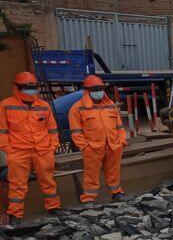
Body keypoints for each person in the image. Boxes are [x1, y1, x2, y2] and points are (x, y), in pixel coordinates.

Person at [0, 72, 62, 224]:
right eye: (28, 88)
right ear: (17, 88)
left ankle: (54, 208)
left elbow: (52, 129)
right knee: (17, 184)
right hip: (18, 151)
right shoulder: (6, 105)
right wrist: (9, 150)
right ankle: (15, 215)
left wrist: (52, 146)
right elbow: (2, 131)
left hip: (42, 150)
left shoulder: (43, 105)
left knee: (48, 180)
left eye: (33, 88)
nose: (31, 91)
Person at [68, 75, 127, 206]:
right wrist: (85, 147)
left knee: (114, 171)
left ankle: (116, 193)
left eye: (100, 89)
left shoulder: (111, 105)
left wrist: (121, 141)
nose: (98, 92)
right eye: (95, 89)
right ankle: (89, 198)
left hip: (113, 145)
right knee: (91, 174)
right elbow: (76, 132)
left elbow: (119, 126)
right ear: (87, 91)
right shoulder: (77, 108)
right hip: (92, 148)